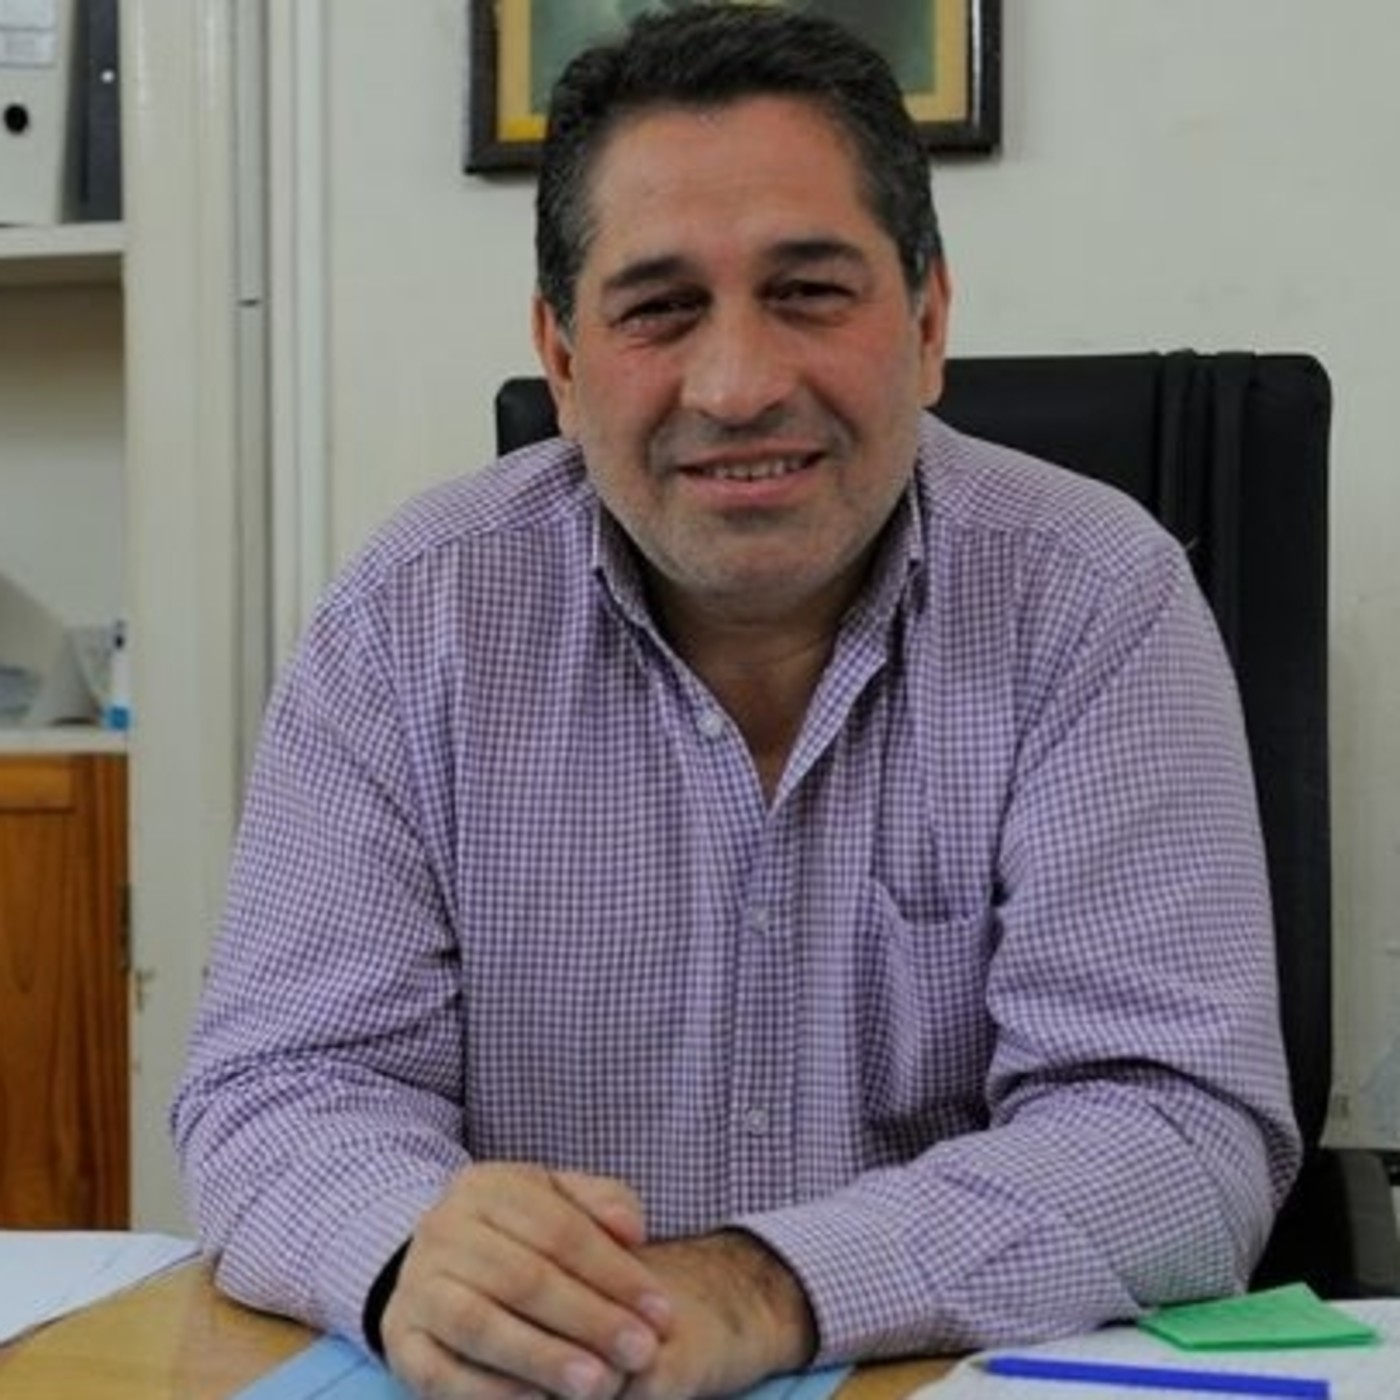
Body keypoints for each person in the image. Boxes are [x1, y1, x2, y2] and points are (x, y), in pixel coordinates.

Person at [172, 7, 1302, 1400]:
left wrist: (767, 1287)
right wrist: (419, 1256)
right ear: (564, 361)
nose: (739, 385)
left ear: (928, 324)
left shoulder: (1095, 598)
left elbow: (1177, 1129)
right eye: (659, 309)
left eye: (810, 291)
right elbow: (277, 1089)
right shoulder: (411, 622)